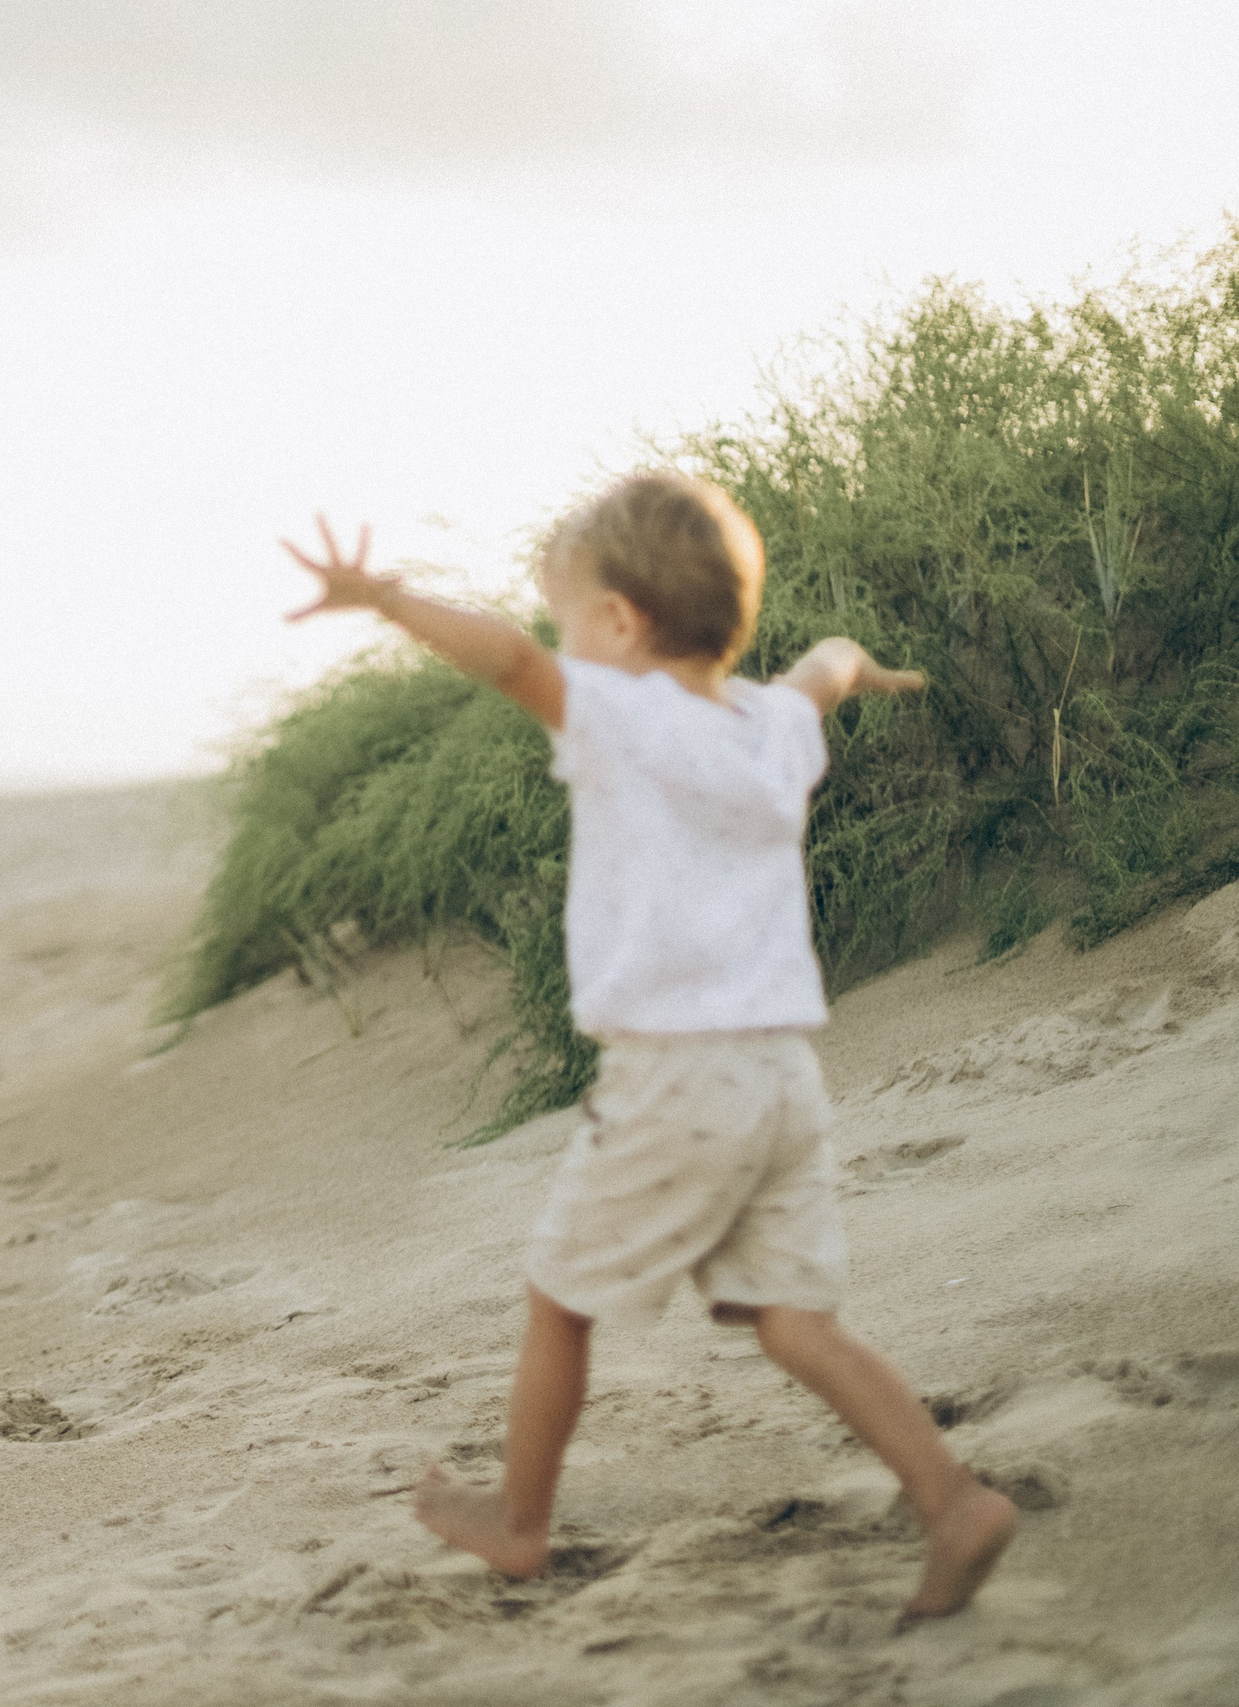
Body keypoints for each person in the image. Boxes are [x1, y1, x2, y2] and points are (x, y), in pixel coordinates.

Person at [284, 472, 1017, 1620]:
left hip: (676, 1077)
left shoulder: (622, 712)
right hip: (782, 1074)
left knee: (557, 1301)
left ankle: (517, 1524)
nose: (556, 647)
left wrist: (386, 598)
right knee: (796, 1324)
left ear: (618, 624)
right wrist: (853, 662)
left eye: (566, 618)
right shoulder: (768, 726)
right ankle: (953, 1500)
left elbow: (505, 664)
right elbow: (820, 669)